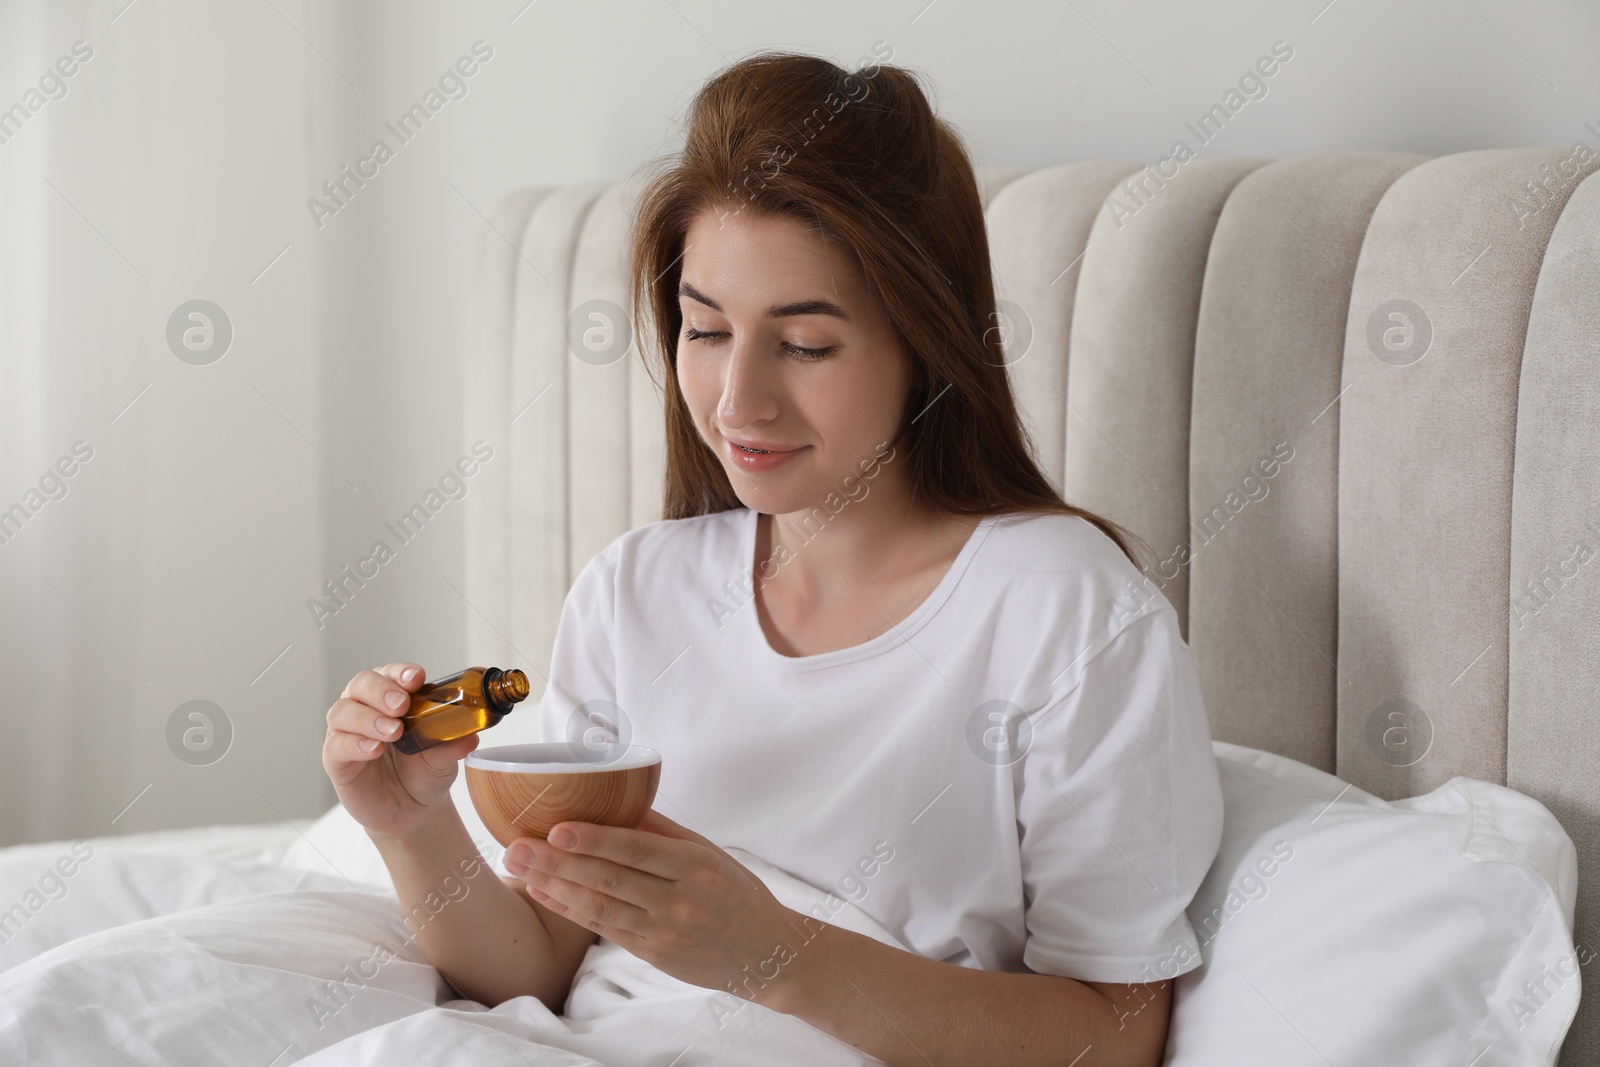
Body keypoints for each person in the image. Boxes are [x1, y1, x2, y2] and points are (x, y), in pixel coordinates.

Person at [322, 48, 1224, 1067]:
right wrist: (409, 824)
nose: (737, 401)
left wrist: (778, 957)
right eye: (705, 329)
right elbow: (537, 967)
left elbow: (1117, 1031)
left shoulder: (1065, 611)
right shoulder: (636, 591)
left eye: (803, 344)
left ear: (926, 343)